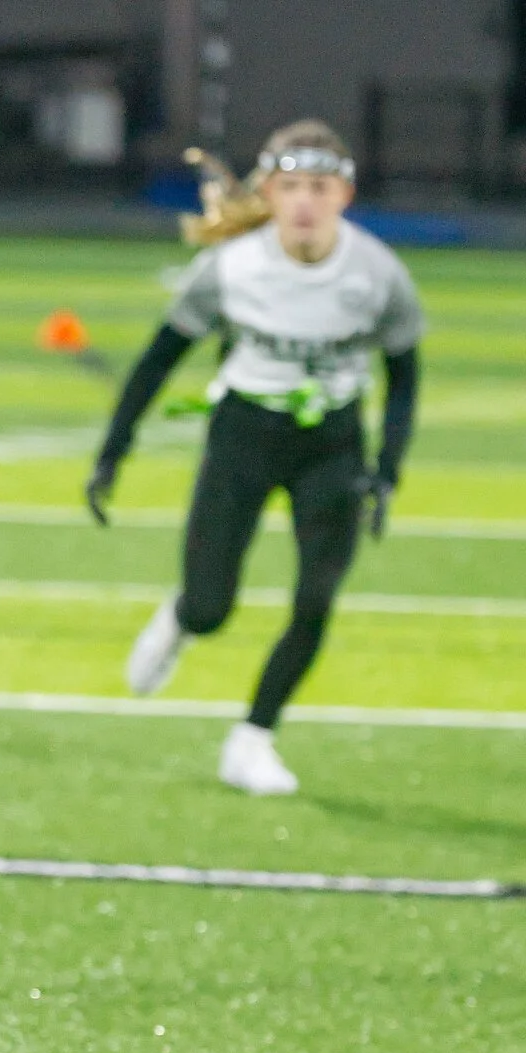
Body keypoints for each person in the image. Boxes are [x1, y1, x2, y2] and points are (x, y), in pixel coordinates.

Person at [85, 119, 422, 794]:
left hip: (332, 442)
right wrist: (114, 448)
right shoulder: (231, 267)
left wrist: (386, 468)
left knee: (315, 597)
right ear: (267, 192)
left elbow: (404, 371)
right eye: (290, 186)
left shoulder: (377, 272)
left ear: (344, 196)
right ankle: (183, 619)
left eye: (319, 188)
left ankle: (253, 737)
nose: (304, 202)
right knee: (213, 607)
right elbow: (160, 358)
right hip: (243, 436)